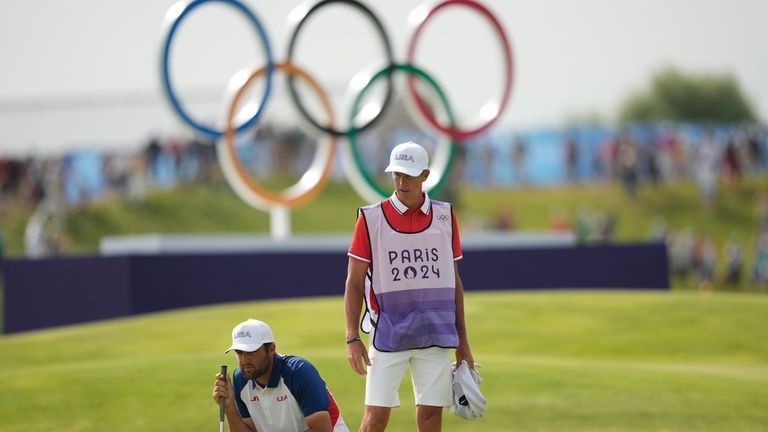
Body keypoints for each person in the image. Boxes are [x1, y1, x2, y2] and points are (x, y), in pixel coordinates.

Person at [344, 141, 475, 432]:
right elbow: (353, 283)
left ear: (425, 175)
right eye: (397, 174)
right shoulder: (370, 219)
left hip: (436, 333)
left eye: (409, 175)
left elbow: (454, 282)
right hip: (388, 332)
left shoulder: (445, 216)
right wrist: (352, 337)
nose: (401, 182)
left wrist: (463, 343)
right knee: (374, 419)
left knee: (430, 418)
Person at [212, 318, 348, 432]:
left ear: (271, 349)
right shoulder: (240, 379)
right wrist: (229, 407)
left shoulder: (299, 372)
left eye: (251, 352)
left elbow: (322, 429)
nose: (244, 360)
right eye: (239, 352)